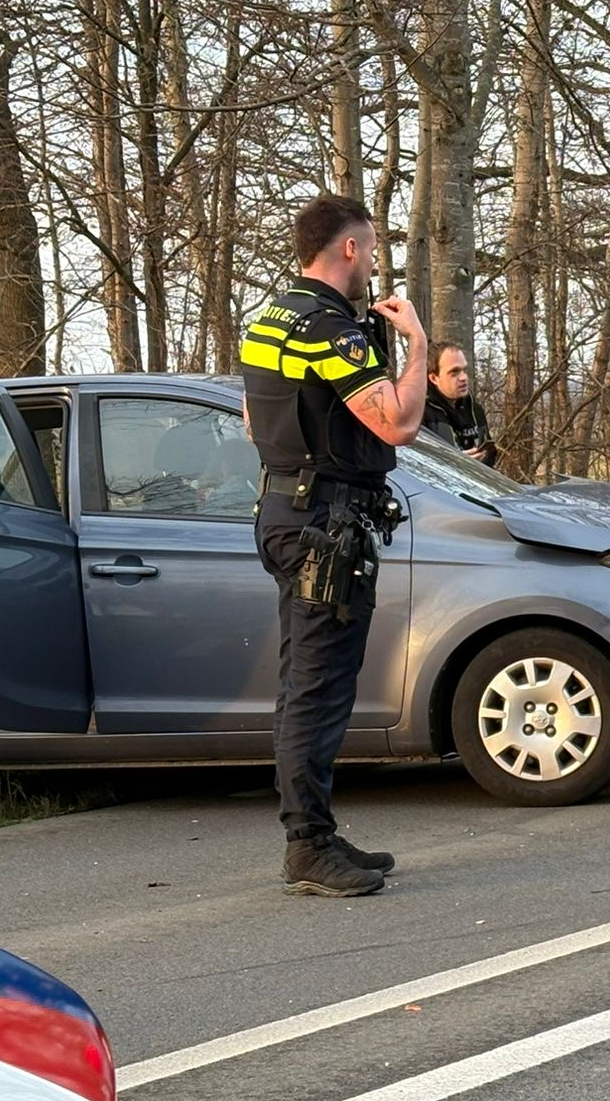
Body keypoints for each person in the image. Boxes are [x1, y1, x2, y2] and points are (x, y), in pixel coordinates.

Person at [243, 194, 428, 896]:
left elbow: (251, 418)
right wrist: (413, 342)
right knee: (317, 687)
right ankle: (308, 845)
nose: (374, 260)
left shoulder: (271, 320)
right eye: (372, 247)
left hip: (287, 509)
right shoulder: (328, 327)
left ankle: (315, 829)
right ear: (348, 248)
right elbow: (398, 423)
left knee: (306, 683)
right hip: (323, 524)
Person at [421, 340, 499, 465]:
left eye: (464, 370)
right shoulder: (420, 415)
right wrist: (454, 462)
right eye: (454, 372)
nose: (463, 378)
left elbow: (490, 454)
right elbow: (418, 466)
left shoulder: (474, 410)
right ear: (434, 378)